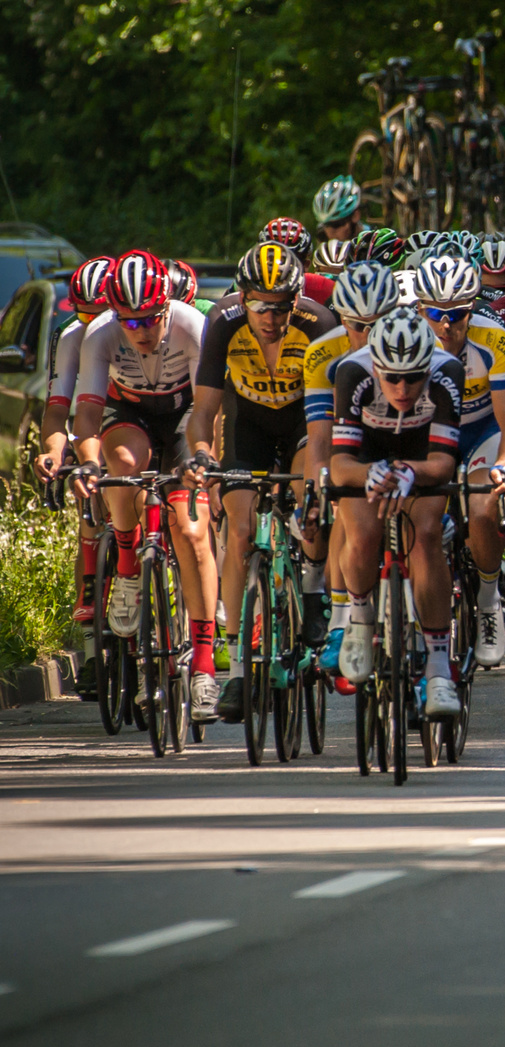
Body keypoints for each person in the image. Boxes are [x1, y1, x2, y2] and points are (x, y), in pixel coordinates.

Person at [185, 242, 338, 720]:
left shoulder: (320, 326)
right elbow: (204, 409)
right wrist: (204, 454)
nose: (270, 317)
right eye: (259, 305)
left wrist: (317, 485)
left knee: (313, 499)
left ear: (298, 300)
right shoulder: (225, 322)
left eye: (282, 307)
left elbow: (324, 426)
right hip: (246, 420)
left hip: (302, 422)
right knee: (239, 529)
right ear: (242, 297)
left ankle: (313, 590)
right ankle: (236, 671)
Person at [70, 251, 221, 720]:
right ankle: (129, 569)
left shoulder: (193, 325)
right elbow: (89, 415)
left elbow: (207, 414)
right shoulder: (100, 334)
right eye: (128, 321)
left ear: (167, 306)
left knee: (191, 532)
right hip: (129, 413)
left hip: (185, 417)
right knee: (118, 462)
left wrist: (202, 462)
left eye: (149, 319)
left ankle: (203, 666)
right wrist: (88, 465)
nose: (139, 331)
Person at [329, 309, 470, 717]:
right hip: (368, 454)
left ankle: (440, 669)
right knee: (362, 535)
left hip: (421, 455)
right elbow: (340, 465)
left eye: (413, 377)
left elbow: (443, 463)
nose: (403, 388)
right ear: (376, 366)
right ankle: (359, 618)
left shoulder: (447, 370)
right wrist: (369, 473)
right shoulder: (351, 372)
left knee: (426, 535)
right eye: (391, 378)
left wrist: (410, 470)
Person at [412, 255, 505, 668]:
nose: (447, 325)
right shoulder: (404, 339)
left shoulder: (493, 338)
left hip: (483, 429)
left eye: (458, 314)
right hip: (426, 432)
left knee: (482, 506)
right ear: (419, 308)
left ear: (473, 307)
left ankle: (487, 598)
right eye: (435, 314)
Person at [303, 261, 399, 687]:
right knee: (342, 499)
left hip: (402, 437)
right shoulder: (324, 354)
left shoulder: (409, 341)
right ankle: (343, 618)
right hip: (352, 440)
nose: (370, 334)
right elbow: (321, 443)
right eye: (359, 325)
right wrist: (315, 491)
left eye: (379, 322)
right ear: (343, 319)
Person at [35, 257, 116, 629]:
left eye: (101, 315)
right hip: (91, 421)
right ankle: (88, 627)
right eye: (85, 317)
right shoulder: (69, 336)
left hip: (131, 415)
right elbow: (56, 411)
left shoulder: (132, 329)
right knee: (89, 499)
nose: (93, 325)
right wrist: (52, 452)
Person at [313, 175, 364, 243]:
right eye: (326, 225)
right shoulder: (322, 237)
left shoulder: (372, 242)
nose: (331, 231)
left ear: (355, 216)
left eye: (336, 224)